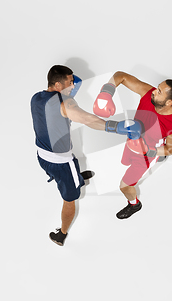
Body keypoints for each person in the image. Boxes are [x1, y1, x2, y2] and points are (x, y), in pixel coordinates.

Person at [31, 65, 143, 246]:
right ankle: (62, 234)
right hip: (61, 163)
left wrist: (68, 87)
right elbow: (88, 119)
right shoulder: (66, 103)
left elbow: (57, 105)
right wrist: (117, 127)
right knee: (70, 199)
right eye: (70, 82)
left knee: (73, 162)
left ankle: (77, 178)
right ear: (58, 85)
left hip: (42, 156)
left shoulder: (36, 98)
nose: (74, 85)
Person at [93, 71, 172, 219]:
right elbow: (120, 75)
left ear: (169, 102)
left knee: (125, 186)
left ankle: (134, 204)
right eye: (157, 87)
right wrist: (106, 93)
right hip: (133, 139)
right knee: (125, 160)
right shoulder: (149, 94)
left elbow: (170, 149)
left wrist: (148, 150)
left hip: (146, 154)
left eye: (159, 91)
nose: (154, 91)